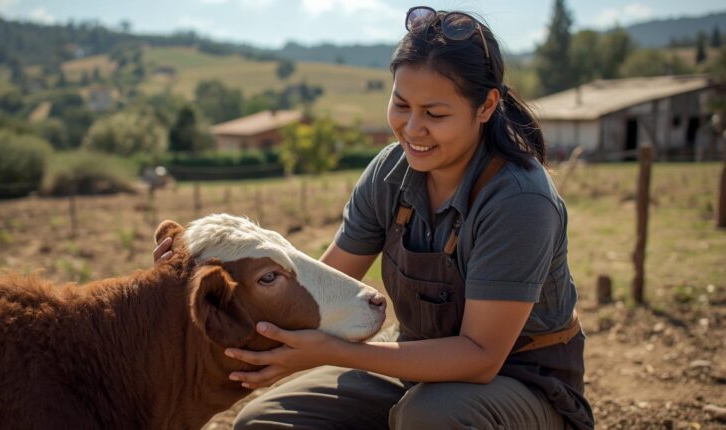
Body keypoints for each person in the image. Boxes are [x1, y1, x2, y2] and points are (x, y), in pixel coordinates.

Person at [154, 6, 593, 429]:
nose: (412, 129)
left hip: (521, 385)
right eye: (401, 105)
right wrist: (194, 274)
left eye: (435, 114)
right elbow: (323, 281)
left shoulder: (518, 200)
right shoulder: (389, 173)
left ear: (486, 106)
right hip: (414, 366)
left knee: (430, 416)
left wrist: (331, 352)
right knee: (266, 421)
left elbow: (480, 358)